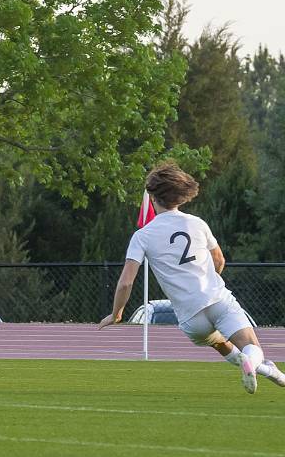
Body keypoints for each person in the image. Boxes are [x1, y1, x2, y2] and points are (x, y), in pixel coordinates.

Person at [98, 162, 285, 394]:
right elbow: (219, 261)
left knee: (219, 342)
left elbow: (126, 282)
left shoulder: (142, 235)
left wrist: (116, 314)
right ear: (179, 197)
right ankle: (251, 362)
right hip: (217, 300)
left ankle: (271, 372)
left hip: (190, 317)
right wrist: (208, 283)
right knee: (252, 348)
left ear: (153, 198)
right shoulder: (197, 223)